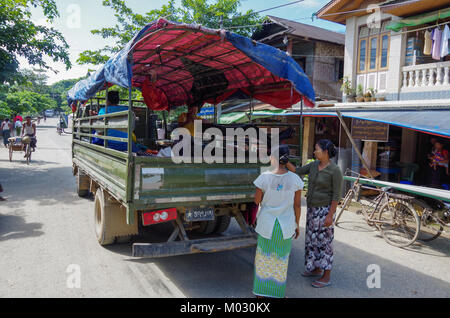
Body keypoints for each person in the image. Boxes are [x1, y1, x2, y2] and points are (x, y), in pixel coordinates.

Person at [287, 139, 343, 288]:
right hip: (312, 210)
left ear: (325, 152)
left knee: (325, 244)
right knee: (312, 241)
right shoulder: (313, 165)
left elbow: (336, 196)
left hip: (325, 211)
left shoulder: (335, 170)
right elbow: (297, 171)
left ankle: (326, 276)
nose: (314, 151)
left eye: (316, 149)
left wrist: (330, 215)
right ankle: (316, 268)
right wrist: (285, 161)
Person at [252, 145, 303, 298]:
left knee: (263, 258)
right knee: (281, 260)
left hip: (266, 225)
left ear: (273, 158)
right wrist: (297, 224)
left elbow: (256, 200)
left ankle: (260, 293)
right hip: (285, 226)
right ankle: (277, 293)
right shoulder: (295, 179)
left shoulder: (264, 177)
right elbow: (297, 205)